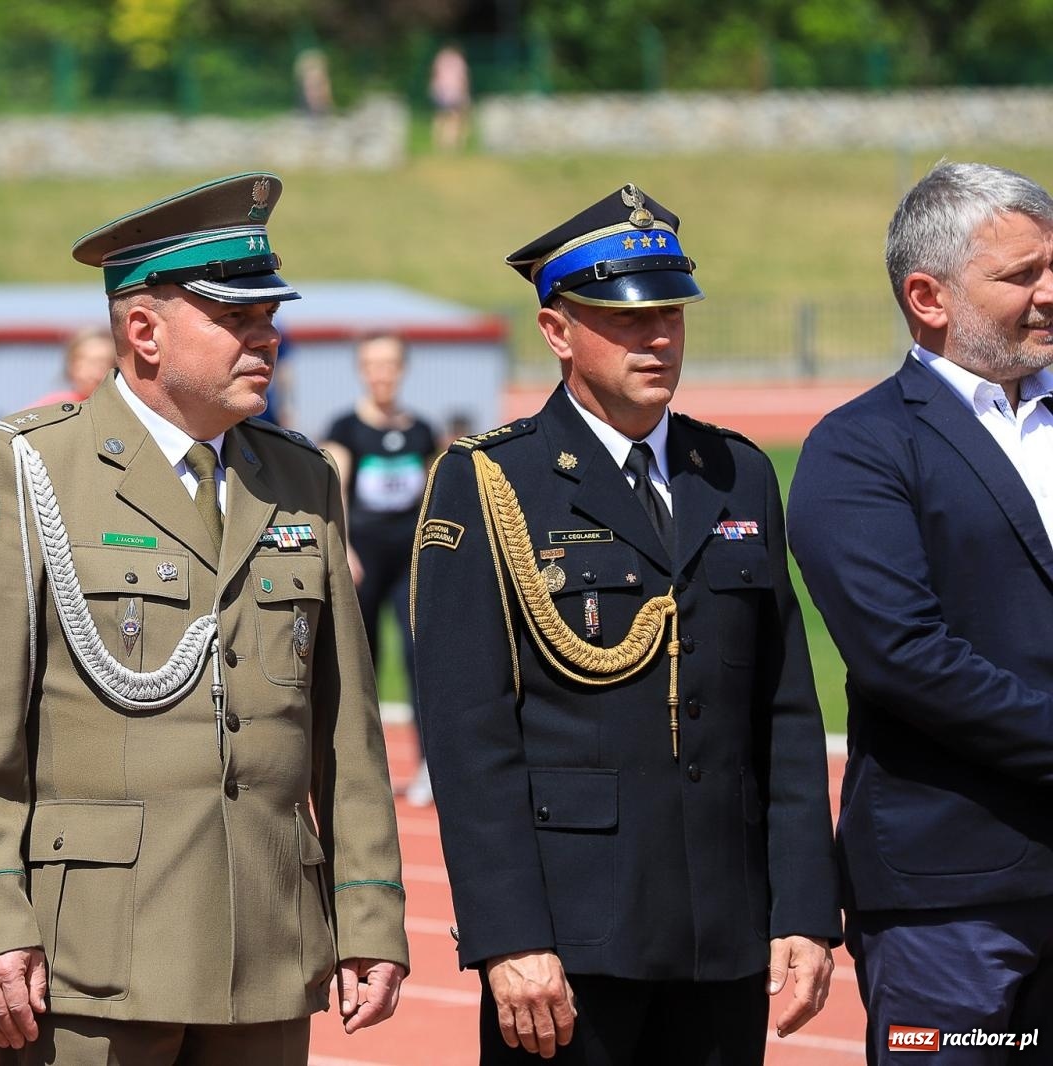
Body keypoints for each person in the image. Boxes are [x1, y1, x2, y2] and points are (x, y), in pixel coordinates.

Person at [0, 171, 409, 1066]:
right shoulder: (31, 469)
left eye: (270, 316)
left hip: (269, 939)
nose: (268, 337)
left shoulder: (301, 479)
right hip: (92, 958)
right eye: (236, 317)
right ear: (142, 331)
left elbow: (347, 733)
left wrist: (370, 907)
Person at [411, 184, 840, 1064]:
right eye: (623, 317)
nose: (658, 337)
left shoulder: (737, 473)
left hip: (721, 929)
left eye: (671, 314)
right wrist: (509, 937)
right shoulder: (494, 482)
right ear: (557, 330)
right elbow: (469, 734)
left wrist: (801, 906)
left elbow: (783, 709)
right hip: (571, 942)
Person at [789, 161, 1053, 1062]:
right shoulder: (859, 448)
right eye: (1021, 276)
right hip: (954, 898)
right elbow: (906, 654)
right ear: (927, 296)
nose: (1050, 293)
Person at [322, 333, 438, 805]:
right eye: (373, 364)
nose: (382, 373)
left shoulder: (421, 431)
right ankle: (358, 768)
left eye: (390, 364)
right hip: (364, 559)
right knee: (359, 661)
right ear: (362, 370)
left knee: (418, 657)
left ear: (402, 369)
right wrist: (344, 550)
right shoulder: (346, 428)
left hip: (409, 557)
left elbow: (433, 496)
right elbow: (337, 491)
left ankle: (428, 764)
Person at [32, 326, 116, 408]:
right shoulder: (51, 407)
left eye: (106, 363)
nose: (97, 372)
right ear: (72, 364)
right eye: (91, 362)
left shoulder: (118, 407)